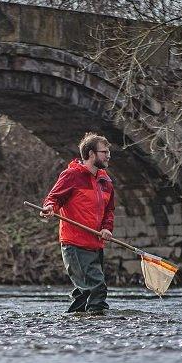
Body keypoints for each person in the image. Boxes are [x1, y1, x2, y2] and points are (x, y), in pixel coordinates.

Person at [41, 133, 116, 314]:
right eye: (104, 152)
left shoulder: (106, 181)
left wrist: (106, 228)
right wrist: (49, 208)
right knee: (97, 288)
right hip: (75, 244)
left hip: (96, 244)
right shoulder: (72, 175)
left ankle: (74, 323)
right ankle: (98, 327)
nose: (108, 156)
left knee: (84, 294)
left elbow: (109, 211)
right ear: (91, 154)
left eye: (108, 152)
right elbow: (53, 199)